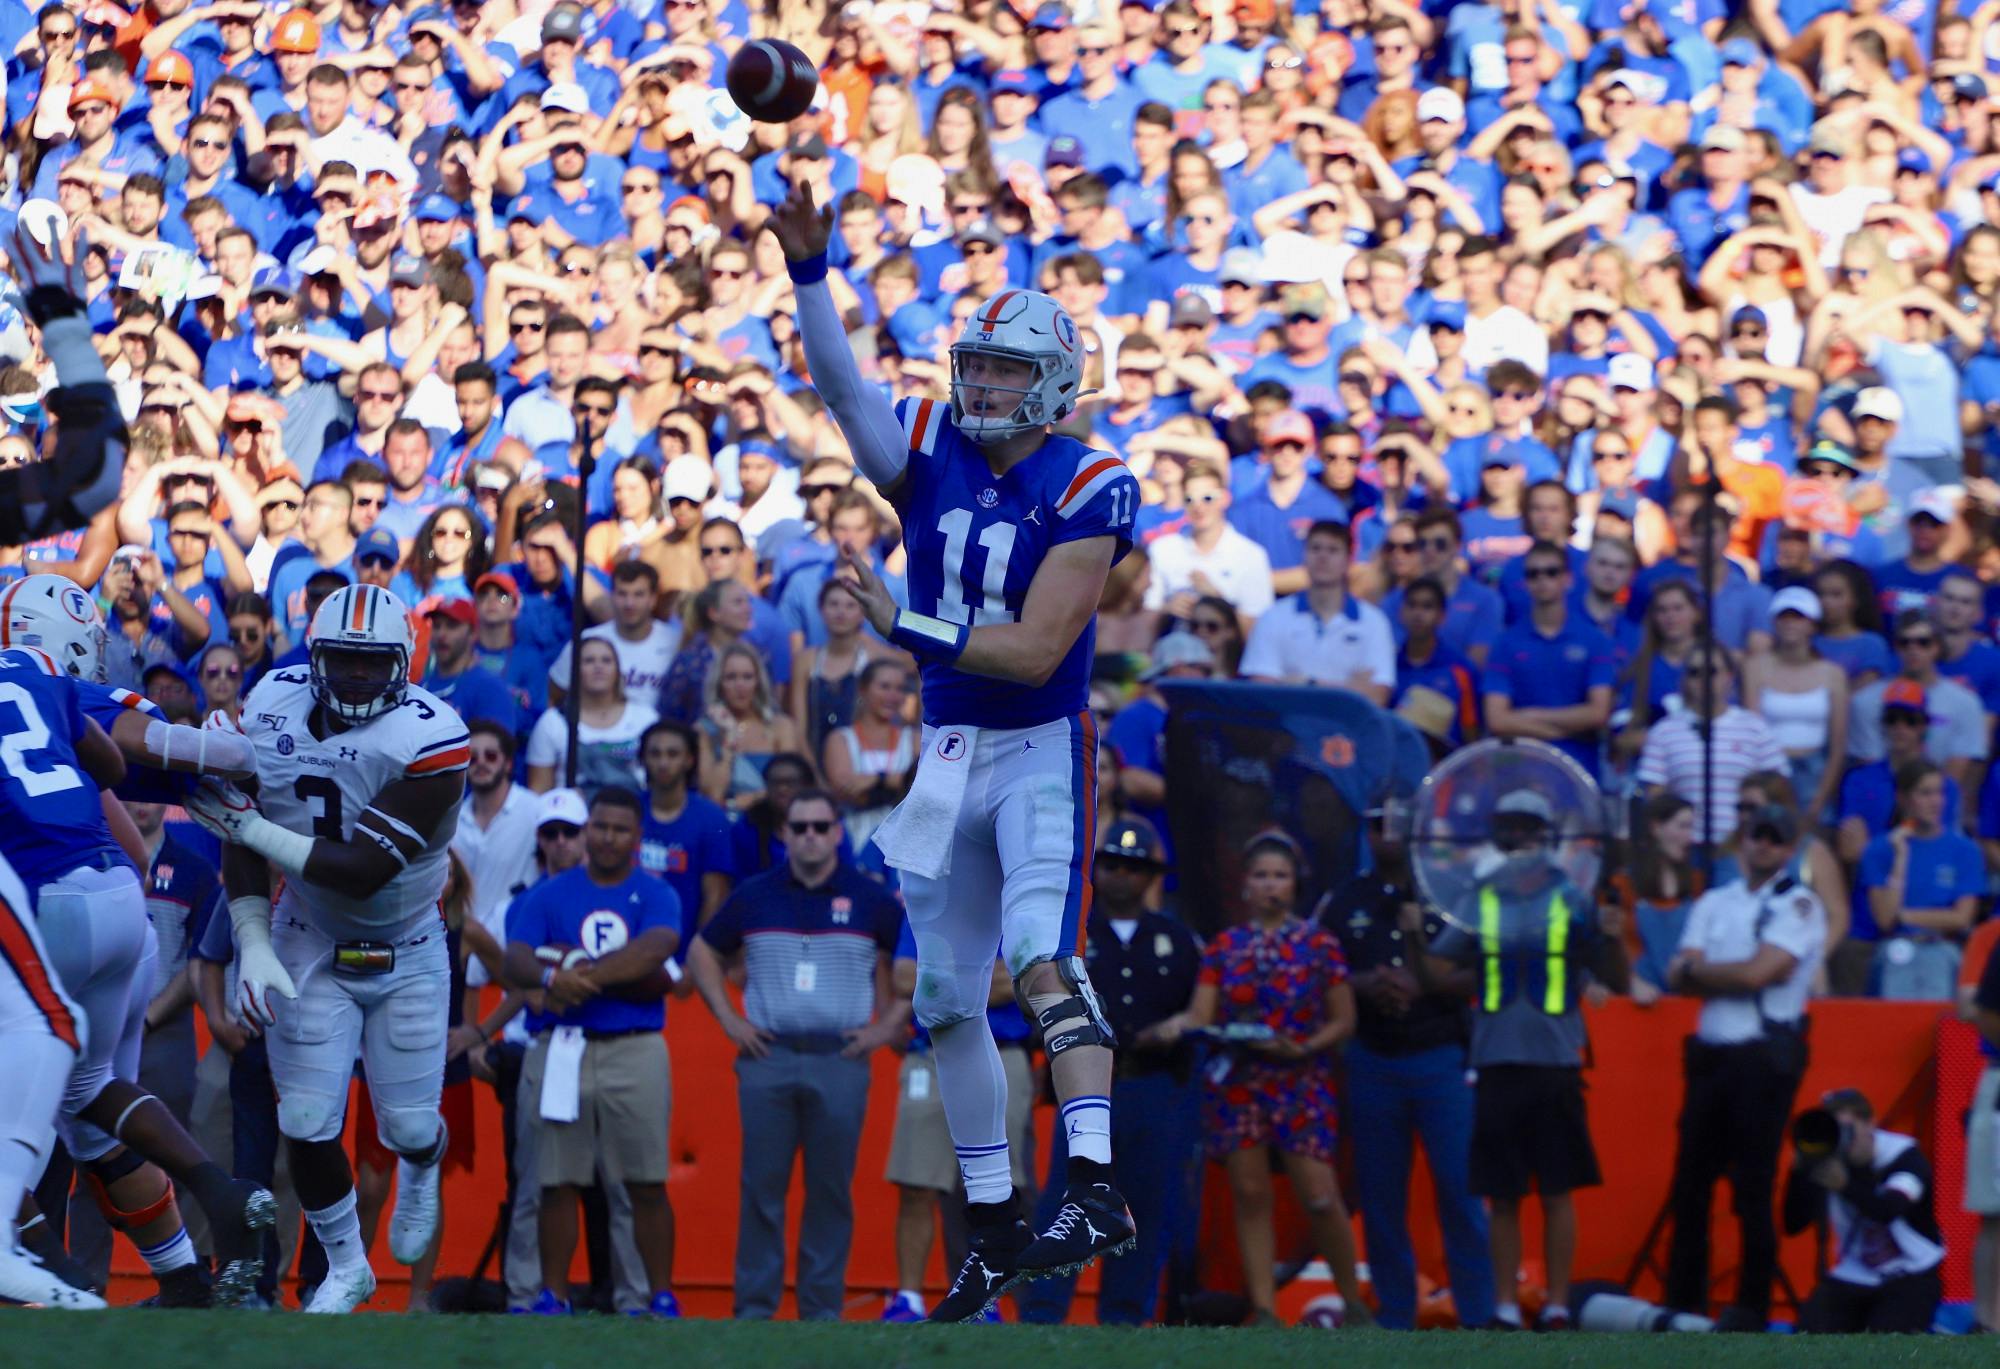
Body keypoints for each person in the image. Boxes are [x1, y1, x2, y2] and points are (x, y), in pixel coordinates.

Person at [773, 180, 1144, 1317]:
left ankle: (1090, 1184)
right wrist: (808, 275)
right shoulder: (929, 441)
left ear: (1055, 383)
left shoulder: (1089, 480)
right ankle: (991, 1218)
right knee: (942, 995)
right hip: (944, 756)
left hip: (1035, 745)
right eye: (971, 366)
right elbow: (840, 391)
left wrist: (907, 623)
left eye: (1001, 371)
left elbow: (1034, 653)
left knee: (1039, 953)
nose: (977, 385)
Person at [185, 582, 470, 1313]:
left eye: (372, 665)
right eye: (342, 660)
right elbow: (241, 824)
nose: (354, 678)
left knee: (407, 1124)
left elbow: (362, 867)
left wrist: (243, 826)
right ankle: (346, 1265)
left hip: (406, 940)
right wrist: (250, 936)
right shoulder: (268, 703)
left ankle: (422, 1164)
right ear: (313, 657)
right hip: (308, 931)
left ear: (404, 666)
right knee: (305, 1119)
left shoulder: (434, 738)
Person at [686, 788, 907, 1321]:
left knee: (830, 1192)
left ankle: (821, 1313)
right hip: (769, 1057)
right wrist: (729, 1019)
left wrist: (885, 1030)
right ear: (784, 835)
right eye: (799, 827)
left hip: (841, 1058)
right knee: (762, 1188)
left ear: (837, 832)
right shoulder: (754, 894)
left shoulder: (871, 897)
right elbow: (701, 951)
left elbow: (914, 969)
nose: (809, 836)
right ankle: (755, 1311)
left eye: (819, 827)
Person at [1411, 791, 1627, 1330]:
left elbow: (1609, 969)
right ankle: (1505, 1305)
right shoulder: (1479, 897)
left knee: (1557, 1190)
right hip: (1496, 1059)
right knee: (1501, 1193)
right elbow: (1439, 970)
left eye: (1531, 829)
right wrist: (1417, 936)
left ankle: (1555, 1303)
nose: (1522, 839)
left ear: (1545, 835)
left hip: (1555, 1060)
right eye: (1512, 829)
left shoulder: (1574, 896)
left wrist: (1613, 940)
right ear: (1501, 837)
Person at [1167, 832, 1363, 1327]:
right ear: (1245, 885)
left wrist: (1303, 1047)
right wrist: (1186, 1028)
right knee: (1251, 1195)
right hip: (1239, 1080)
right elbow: (1202, 1015)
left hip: (1302, 1077)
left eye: (1279, 875)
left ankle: (1355, 1303)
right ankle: (1264, 1309)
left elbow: (1343, 1019)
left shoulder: (1319, 943)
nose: (1270, 884)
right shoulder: (1225, 947)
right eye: (1261, 875)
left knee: (1320, 1195)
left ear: (1295, 884)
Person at [501, 786, 683, 1318]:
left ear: (636, 837)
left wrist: (581, 977)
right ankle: (551, 1295)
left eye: (620, 829)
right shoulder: (551, 893)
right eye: (598, 826)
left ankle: (658, 1295)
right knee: (557, 1179)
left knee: (646, 1181)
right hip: (563, 1046)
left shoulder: (655, 893)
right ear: (587, 832)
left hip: (635, 1046)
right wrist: (551, 975)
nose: (607, 837)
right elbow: (514, 960)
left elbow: (658, 949)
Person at [1020, 817, 1203, 1326]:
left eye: (1136, 866)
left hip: (1153, 1082)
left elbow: (1201, 1009)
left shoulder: (1176, 939)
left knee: (1144, 1203)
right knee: (1068, 1199)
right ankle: (1042, 1312)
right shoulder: (1072, 936)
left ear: (1152, 875)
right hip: (1088, 1084)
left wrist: (1177, 1028)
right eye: (1114, 864)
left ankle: (1125, 1316)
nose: (1123, 875)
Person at [1318, 810, 1494, 1331]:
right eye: (1377, 824)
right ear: (1367, 834)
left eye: (1399, 823)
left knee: (1460, 1188)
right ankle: (1395, 1313)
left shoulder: (1451, 893)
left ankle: (1478, 1315)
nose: (1388, 834)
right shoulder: (1344, 899)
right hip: (1371, 1057)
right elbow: (1319, 969)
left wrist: (1427, 982)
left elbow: (1481, 970)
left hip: (1441, 1056)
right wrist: (1367, 983)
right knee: (1380, 1195)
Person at [1664, 802, 1828, 1331]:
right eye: (1756, 835)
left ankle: (1751, 1307)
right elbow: (1676, 973)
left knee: (1752, 1187)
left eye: (1774, 838)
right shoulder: (1715, 900)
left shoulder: (1800, 904)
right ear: (1743, 840)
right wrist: (1719, 973)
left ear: (1786, 849)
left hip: (1761, 1058)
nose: (1762, 845)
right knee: (1690, 1185)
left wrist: (1702, 972)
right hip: (1712, 1056)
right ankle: (1683, 1306)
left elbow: (1758, 974)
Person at [1781, 1089, 1944, 1333]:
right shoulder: (1830, 1160)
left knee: (1888, 1344)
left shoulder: (1904, 1158)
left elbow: (1888, 1209)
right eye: (1835, 1132)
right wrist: (1799, 1172)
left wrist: (1844, 1186)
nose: (1844, 1141)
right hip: (1855, 1271)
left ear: (1871, 1124)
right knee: (1807, 1337)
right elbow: (1793, 1224)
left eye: (1849, 1131)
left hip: (1912, 1272)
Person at [1482, 539, 1617, 780]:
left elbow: (1598, 713)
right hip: (1520, 773)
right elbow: (1497, 719)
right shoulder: (1506, 643)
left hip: (1580, 773)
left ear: (1568, 579)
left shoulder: (1595, 639)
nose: (1542, 580)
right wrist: (1559, 734)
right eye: (1533, 574)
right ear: (1525, 582)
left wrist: (1530, 716)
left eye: (1551, 572)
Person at [1858, 760, 1983, 1001]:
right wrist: (1901, 858)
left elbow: (1962, 918)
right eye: (1925, 793)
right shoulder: (1879, 849)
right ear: (1903, 798)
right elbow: (1885, 919)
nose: (1935, 801)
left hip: (1944, 948)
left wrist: (1905, 916)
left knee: (1939, 964)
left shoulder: (1965, 850)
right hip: (1895, 947)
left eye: (1939, 792)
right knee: (1896, 964)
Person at [1237, 521, 1395, 701]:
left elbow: (1377, 695)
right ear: (1304, 556)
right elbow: (1262, 691)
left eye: (1333, 550)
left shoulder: (1374, 622)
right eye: (1315, 549)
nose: (1323, 557)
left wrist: (1306, 683)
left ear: (1348, 560)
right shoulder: (1273, 618)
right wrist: (1348, 688)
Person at [635, 719, 735, 951]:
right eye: (655, 754)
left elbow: (715, 897)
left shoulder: (712, 820)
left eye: (673, 754)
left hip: (683, 955)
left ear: (689, 760)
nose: (663, 763)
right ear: (643, 759)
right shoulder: (628, 813)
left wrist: (696, 959)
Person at [527, 637, 658, 796]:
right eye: (589, 661)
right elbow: (539, 791)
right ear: (574, 670)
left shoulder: (645, 718)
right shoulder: (552, 723)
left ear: (618, 671)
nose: (598, 667)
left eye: (606, 660)